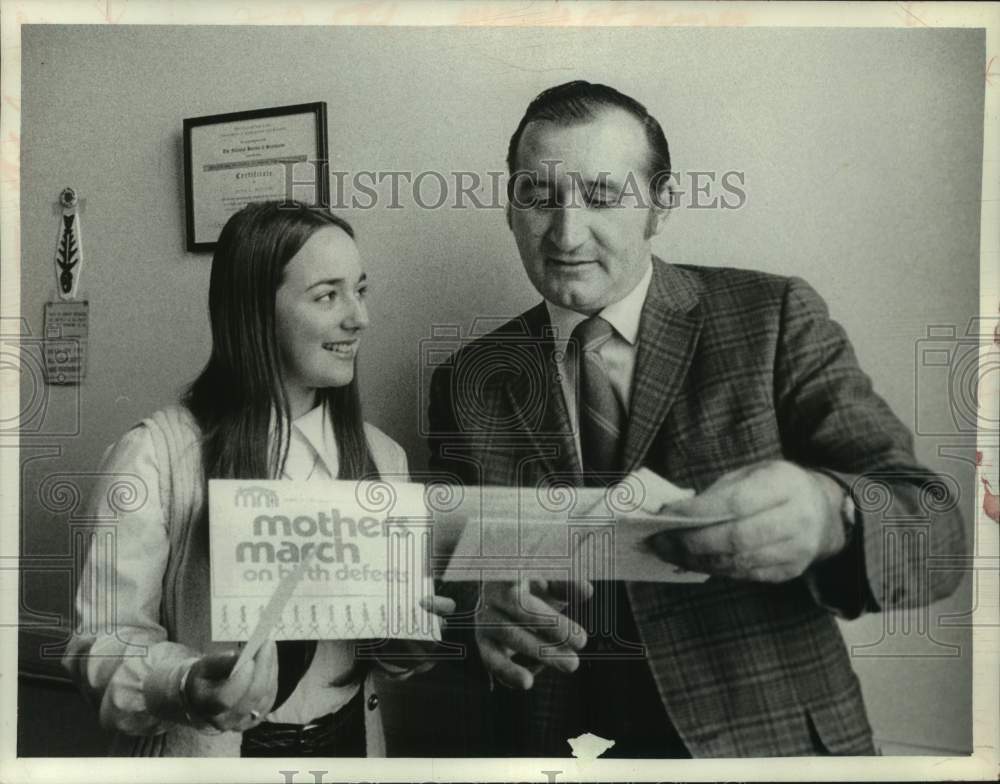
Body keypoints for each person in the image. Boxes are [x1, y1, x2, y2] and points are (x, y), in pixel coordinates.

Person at [427, 81, 967, 757]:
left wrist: (832, 515)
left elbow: (937, 533)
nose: (565, 233)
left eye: (601, 196)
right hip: (556, 753)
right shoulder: (468, 379)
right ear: (511, 208)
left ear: (660, 206)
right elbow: (442, 580)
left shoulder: (771, 316)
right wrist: (476, 620)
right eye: (539, 197)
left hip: (763, 749)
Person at [64, 201, 452, 757]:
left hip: (348, 746)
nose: (359, 317)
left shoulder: (382, 458)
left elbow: (376, 645)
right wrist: (187, 683)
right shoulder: (154, 457)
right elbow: (99, 646)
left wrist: (403, 645)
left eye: (360, 290)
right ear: (254, 312)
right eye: (327, 295)